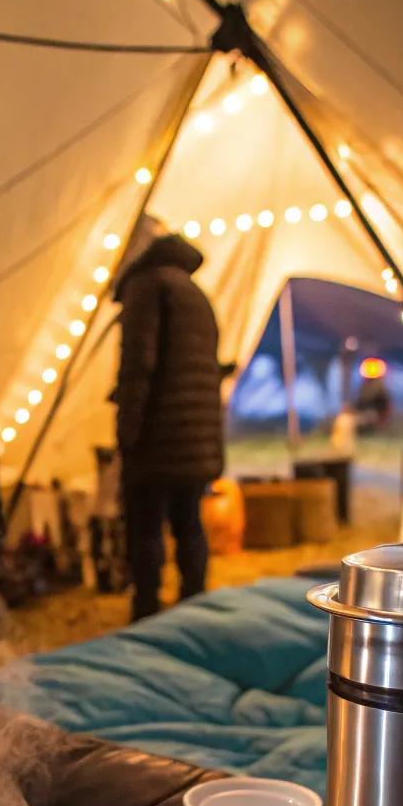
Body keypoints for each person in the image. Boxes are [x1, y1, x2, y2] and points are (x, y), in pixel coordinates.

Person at [113, 231, 223, 622]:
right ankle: (195, 610)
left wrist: (127, 433)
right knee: (189, 525)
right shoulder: (195, 294)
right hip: (196, 442)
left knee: (145, 531)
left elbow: (138, 367)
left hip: (157, 440)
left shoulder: (147, 288)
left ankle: (146, 615)